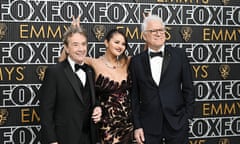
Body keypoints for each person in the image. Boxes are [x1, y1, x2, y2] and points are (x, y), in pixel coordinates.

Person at [60, 17, 134, 143]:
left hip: (127, 123)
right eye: (116, 42)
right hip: (106, 124)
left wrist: (149, 30)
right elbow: (64, 60)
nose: (120, 46)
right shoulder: (94, 63)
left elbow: (146, 57)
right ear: (106, 42)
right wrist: (73, 34)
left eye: (123, 44)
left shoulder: (128, 62)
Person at [129, 15, 195, 144]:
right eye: (153, 31)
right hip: (149, 125)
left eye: (161, 30)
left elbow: (189, 88)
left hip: (177, 123)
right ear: (144, 36)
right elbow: (134, 96)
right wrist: (137, 125)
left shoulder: (179, 55)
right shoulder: (136, 61)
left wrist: (187, 117)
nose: (159, 34)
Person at [39, 25, 102, 144]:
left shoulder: (89, 70)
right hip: (64, 138)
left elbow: (90, 98)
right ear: (66, 48)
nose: (81, 49)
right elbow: (45, 111)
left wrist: (97, 107)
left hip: (89, 138)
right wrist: (52, 140)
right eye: (75, 44)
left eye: (83, 44)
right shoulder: (54, 72)